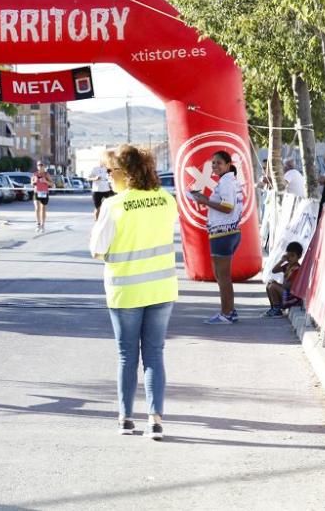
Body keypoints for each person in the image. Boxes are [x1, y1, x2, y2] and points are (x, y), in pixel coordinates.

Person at [89, 145, 178, 441]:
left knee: (127, 355)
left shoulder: (113, 206)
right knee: (154, 354)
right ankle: (155, 421)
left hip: (125, 290)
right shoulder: (166, 199)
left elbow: (97, 250)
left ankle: (125, 418)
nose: (108, 177)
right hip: (162, 288)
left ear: (125, 175)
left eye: (110, 172)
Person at [190, 150, 242, 325]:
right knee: (221, 276)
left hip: (224, 234)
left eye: (219, 163)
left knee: (222, 276)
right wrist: (205, 199)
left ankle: (226, 313)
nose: (215, 166)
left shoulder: (227, 182)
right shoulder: (227, 181)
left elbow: (227, 207)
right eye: (213, 163)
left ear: (228, 165)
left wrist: (205, 201)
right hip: (226, 233)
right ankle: (229, 311)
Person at [263, 241, 303, 318]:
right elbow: (274, 270)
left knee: (273, 286)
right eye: (288, 256)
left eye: (292, 256)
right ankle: (274, 308)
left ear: (299, 256)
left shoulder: (296, 269)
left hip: (293, 298)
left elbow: (290, 286)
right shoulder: (287, 266)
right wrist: (282, 261)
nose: (290, 258)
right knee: (269, 284)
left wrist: (278, 286)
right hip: (286, 293)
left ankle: (277, 310)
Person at [87, 155, 115, 220]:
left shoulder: (108, 169)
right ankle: (96, 221)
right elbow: (88, 178)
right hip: (97, 190)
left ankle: (109, 220)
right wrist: (95, 178)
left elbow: (112, 176)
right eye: (102, 161)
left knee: (110, 206)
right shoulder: (95, 168)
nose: (104, 162)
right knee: (98, 208)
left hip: (106, 190)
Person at [32, 161, 51, 233]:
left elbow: (52, 184)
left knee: (43, 209)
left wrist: (46, 181)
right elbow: (32, 183)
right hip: (37, 192)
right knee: (37, 208)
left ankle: (43, 225)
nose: (40, 167)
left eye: (41, 165)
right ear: (37, 166)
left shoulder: (46, 174)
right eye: (39, 165)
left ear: (44, 166)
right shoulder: (35, 174)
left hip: (44, 193)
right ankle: (38, 224)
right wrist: (35, 181)